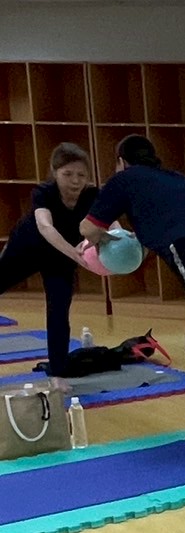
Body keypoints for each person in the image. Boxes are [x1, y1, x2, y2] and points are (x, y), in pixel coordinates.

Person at [81, 135, 185, 446]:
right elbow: (159, 235)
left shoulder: (124, 179)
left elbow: (88, 228)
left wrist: (98, 243)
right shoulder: (173, 179)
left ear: (121, 161)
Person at [0, 142, 98, 379]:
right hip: (27, 249)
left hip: (60, 258)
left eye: (81, 175)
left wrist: (121, 239)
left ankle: (58, 371)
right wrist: (74, 253)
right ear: (55, 172)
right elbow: (45, 227)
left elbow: (107, 223)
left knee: (59, 311)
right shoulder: (43, 192)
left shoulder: (92, 195)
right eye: (68, 174)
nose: (75, 181)